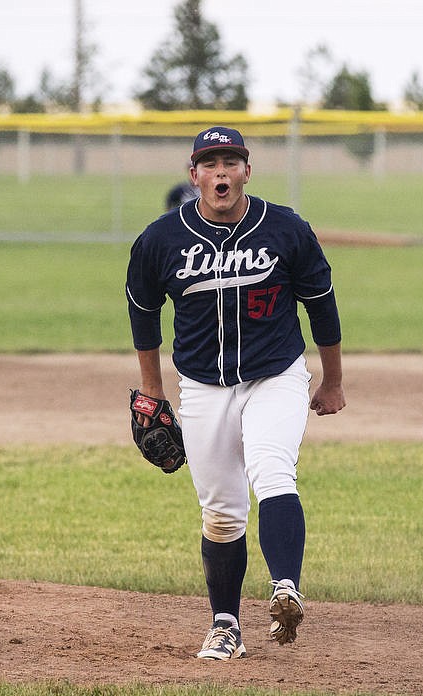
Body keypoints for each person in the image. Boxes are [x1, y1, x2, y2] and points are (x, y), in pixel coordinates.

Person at [126, 126, 346, 661]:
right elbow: (142, 313)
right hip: (202, 386)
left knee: (273, 470)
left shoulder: (286, 229)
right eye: (210, 163)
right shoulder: (162, 239)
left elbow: (321, 303)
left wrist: (333, 379)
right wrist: (154, 394)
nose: (221, 172)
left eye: (231, 162)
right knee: (221, 512)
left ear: (248, 170)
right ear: (193, 174)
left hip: (276, 374)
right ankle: (226, 625)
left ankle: (285, 587)